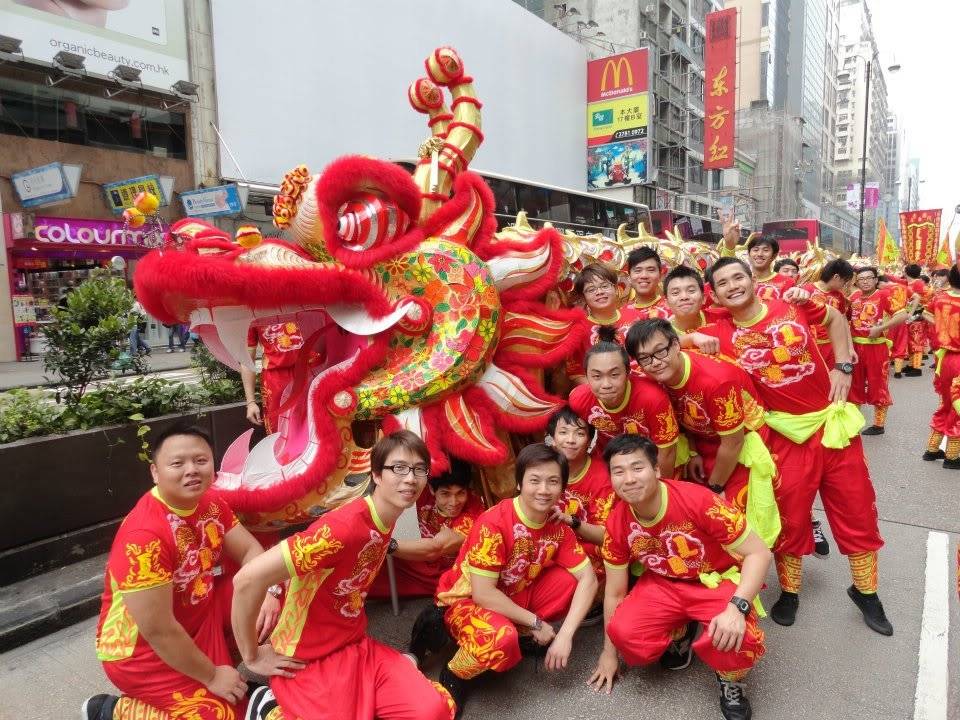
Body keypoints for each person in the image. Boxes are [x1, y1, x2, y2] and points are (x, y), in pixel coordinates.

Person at [691, 257, 892, 635]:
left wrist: (843, 365)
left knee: (857, 509)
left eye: (739, 276)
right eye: (723, 283)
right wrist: (690, 337)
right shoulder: (718, 332)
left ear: (752, 279)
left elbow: (835, 320)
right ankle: (791, 592)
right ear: (714, 293)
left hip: (830, 426)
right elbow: (664, 340)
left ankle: (867, 592)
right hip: (781, 437)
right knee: (789, 516)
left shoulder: (791, 303)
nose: (733, 285)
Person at [230, 430, 455, 720]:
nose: (410, 478)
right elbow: (247, 579)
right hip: (305, 656)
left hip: (355, 645)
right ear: (376, 475)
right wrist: (251, 655)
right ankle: (266, 701)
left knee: (431, 711)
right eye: (398, 468)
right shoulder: (343, 528)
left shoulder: (385, 519)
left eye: (419, 469)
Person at [83, 424, 285, 720]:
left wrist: (269, 592)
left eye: (201, 461)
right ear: (155, 472)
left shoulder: (211, 503)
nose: (191, 470)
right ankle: (112, 710)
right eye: (177, 463)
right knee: (221, 714)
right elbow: (158, 630)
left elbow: (250, 552)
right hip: (142, 652)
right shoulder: (144, 536)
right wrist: (212, 675)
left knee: (276, 587)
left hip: (197, 618)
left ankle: (231, 675)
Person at [588, 434, 771, 720]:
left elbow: (759, 553)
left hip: (713, 579)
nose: (629, 479)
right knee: (624, 632)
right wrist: (609, 653)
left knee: (740, 637)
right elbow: (614, 592)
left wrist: (738, 607)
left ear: (657, 470)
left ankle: (729, 679)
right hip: (662, 583)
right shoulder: (616, 523)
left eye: (638, 468)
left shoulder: (698, 501)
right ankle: (679, 629)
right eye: (618, 471)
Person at [417, 443, 597, 714]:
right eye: (534, 480)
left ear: (562, 487)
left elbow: (589, 579)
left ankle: (520, 632)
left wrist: (565, 636)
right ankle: (456, 672)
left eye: (553, 481)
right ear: (519, 483)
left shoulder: (555, 524)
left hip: (512, 591)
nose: (544, 489)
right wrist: (536, 621)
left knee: (569, 580)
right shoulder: (495, 522)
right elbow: (484, 594)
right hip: (464, 602)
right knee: (500, 640)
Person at [625, 319, 781, 550]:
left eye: (661, 351)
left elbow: (733, 442)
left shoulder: (715, 381)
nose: (655, 362)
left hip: (741, 445)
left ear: (676, 346)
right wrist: (694, 451)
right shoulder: (650, 371)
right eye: (645, 357)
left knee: (729, 519)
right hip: (702, 441)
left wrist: (715, 488)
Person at [368, 458, 485, 599]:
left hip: (445, 571)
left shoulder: (473, 510)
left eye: (461, 493)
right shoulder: (421, 491)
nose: (454, 502)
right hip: (415, 557)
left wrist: (384, 544)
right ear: (431, 489)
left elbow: (436, 548)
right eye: (445, 494)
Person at [568, 339, 680, 477]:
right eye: (596, 376)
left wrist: (659, 491)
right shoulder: (578, 400)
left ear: (628, 373)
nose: (606, 384)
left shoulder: (653, 399)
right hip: (609, 459)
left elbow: (667, 453)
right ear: (587, 376)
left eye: (614, 375)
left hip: (650, 459)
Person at [546, 406, 615, 582]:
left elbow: (606, 536)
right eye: (563, 432)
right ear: (552, 438)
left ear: (589, 440)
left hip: (589, 551)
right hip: (551, 545)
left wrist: (572, 521)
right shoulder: (543, 468)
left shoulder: (601, 477)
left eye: (579, 433)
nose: (570, 440)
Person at [848, 266, 908, 435]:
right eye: (861, 279)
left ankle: (878, 425)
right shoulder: (853, 297)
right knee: (854, 385)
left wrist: (882, 327)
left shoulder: (884, 295)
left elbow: (902, 315)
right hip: (854, 348)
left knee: (878, 384)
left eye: (869, 278)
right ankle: (854, 422)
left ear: (876, 280)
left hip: (876, 346)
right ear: (856, 281)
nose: (865, 281)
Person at [241, 321, 321, 434]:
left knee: (317, 427)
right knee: (279, 431)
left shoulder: (304, 304)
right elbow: (247, 361)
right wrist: (250, 402)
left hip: (310, 370)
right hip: (275, 380)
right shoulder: (252, 315)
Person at [565, 264, 634, 384]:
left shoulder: (637, 317)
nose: (599, 292)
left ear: (616, 288)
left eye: (604, 286)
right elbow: (576, 374)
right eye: (591, 289)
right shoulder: (577, 330)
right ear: (583, 297)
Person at [922, 265, 960, 469]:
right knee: (957, 407)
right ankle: (952, 456)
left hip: (943, 359)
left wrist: (941, 327)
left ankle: (932, 449)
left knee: (946, 403)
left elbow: (926, 315)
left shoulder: (940, 297)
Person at [801, 258, 854, 368]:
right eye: (844, 282)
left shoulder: (839, 296)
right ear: (836, 277)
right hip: (811, 346)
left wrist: (850, 348)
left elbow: (843, 322)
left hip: (832, 346)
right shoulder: (806, 290)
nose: (844, 286)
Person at [619, 247, 671, 326]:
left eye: (650, 270)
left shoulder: (673, 306)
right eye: (638, 270)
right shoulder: (621, 314)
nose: (644, 275)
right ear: (629, 277)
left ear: (660, 275)